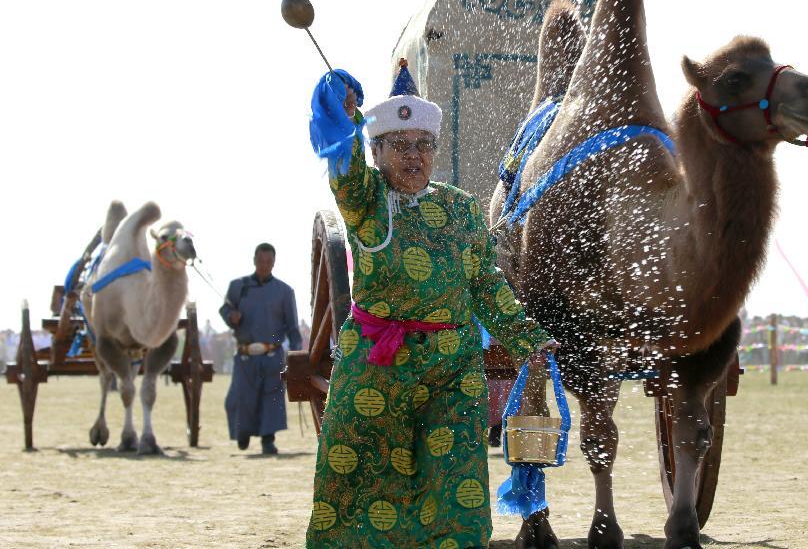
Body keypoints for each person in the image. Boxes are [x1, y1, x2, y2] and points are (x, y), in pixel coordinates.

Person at [304, 61, 558, 548]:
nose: (414, 155)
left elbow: (484, 282)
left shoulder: (462, 208)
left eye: (424, 144)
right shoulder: (365, 200)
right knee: (358, 491)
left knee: (457, 496)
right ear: (376, 152)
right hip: (376, 370)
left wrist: (527, 338)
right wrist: (341, 113)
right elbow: (343, 162)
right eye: (399, 145)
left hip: (452, 372)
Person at [219, 242, 302, 455]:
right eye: (261, 261)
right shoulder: (238, 286)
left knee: (271, 398)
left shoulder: (285, 291)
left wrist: (296, 356)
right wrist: (231, 317)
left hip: (272, 355)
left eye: (269, 261)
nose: (264, 265)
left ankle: (268, 440)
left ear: (274, 263)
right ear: (254, 260)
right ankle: (242, 433)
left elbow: (293, 328)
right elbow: (226, 309)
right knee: (239, 397)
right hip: (246, 354)